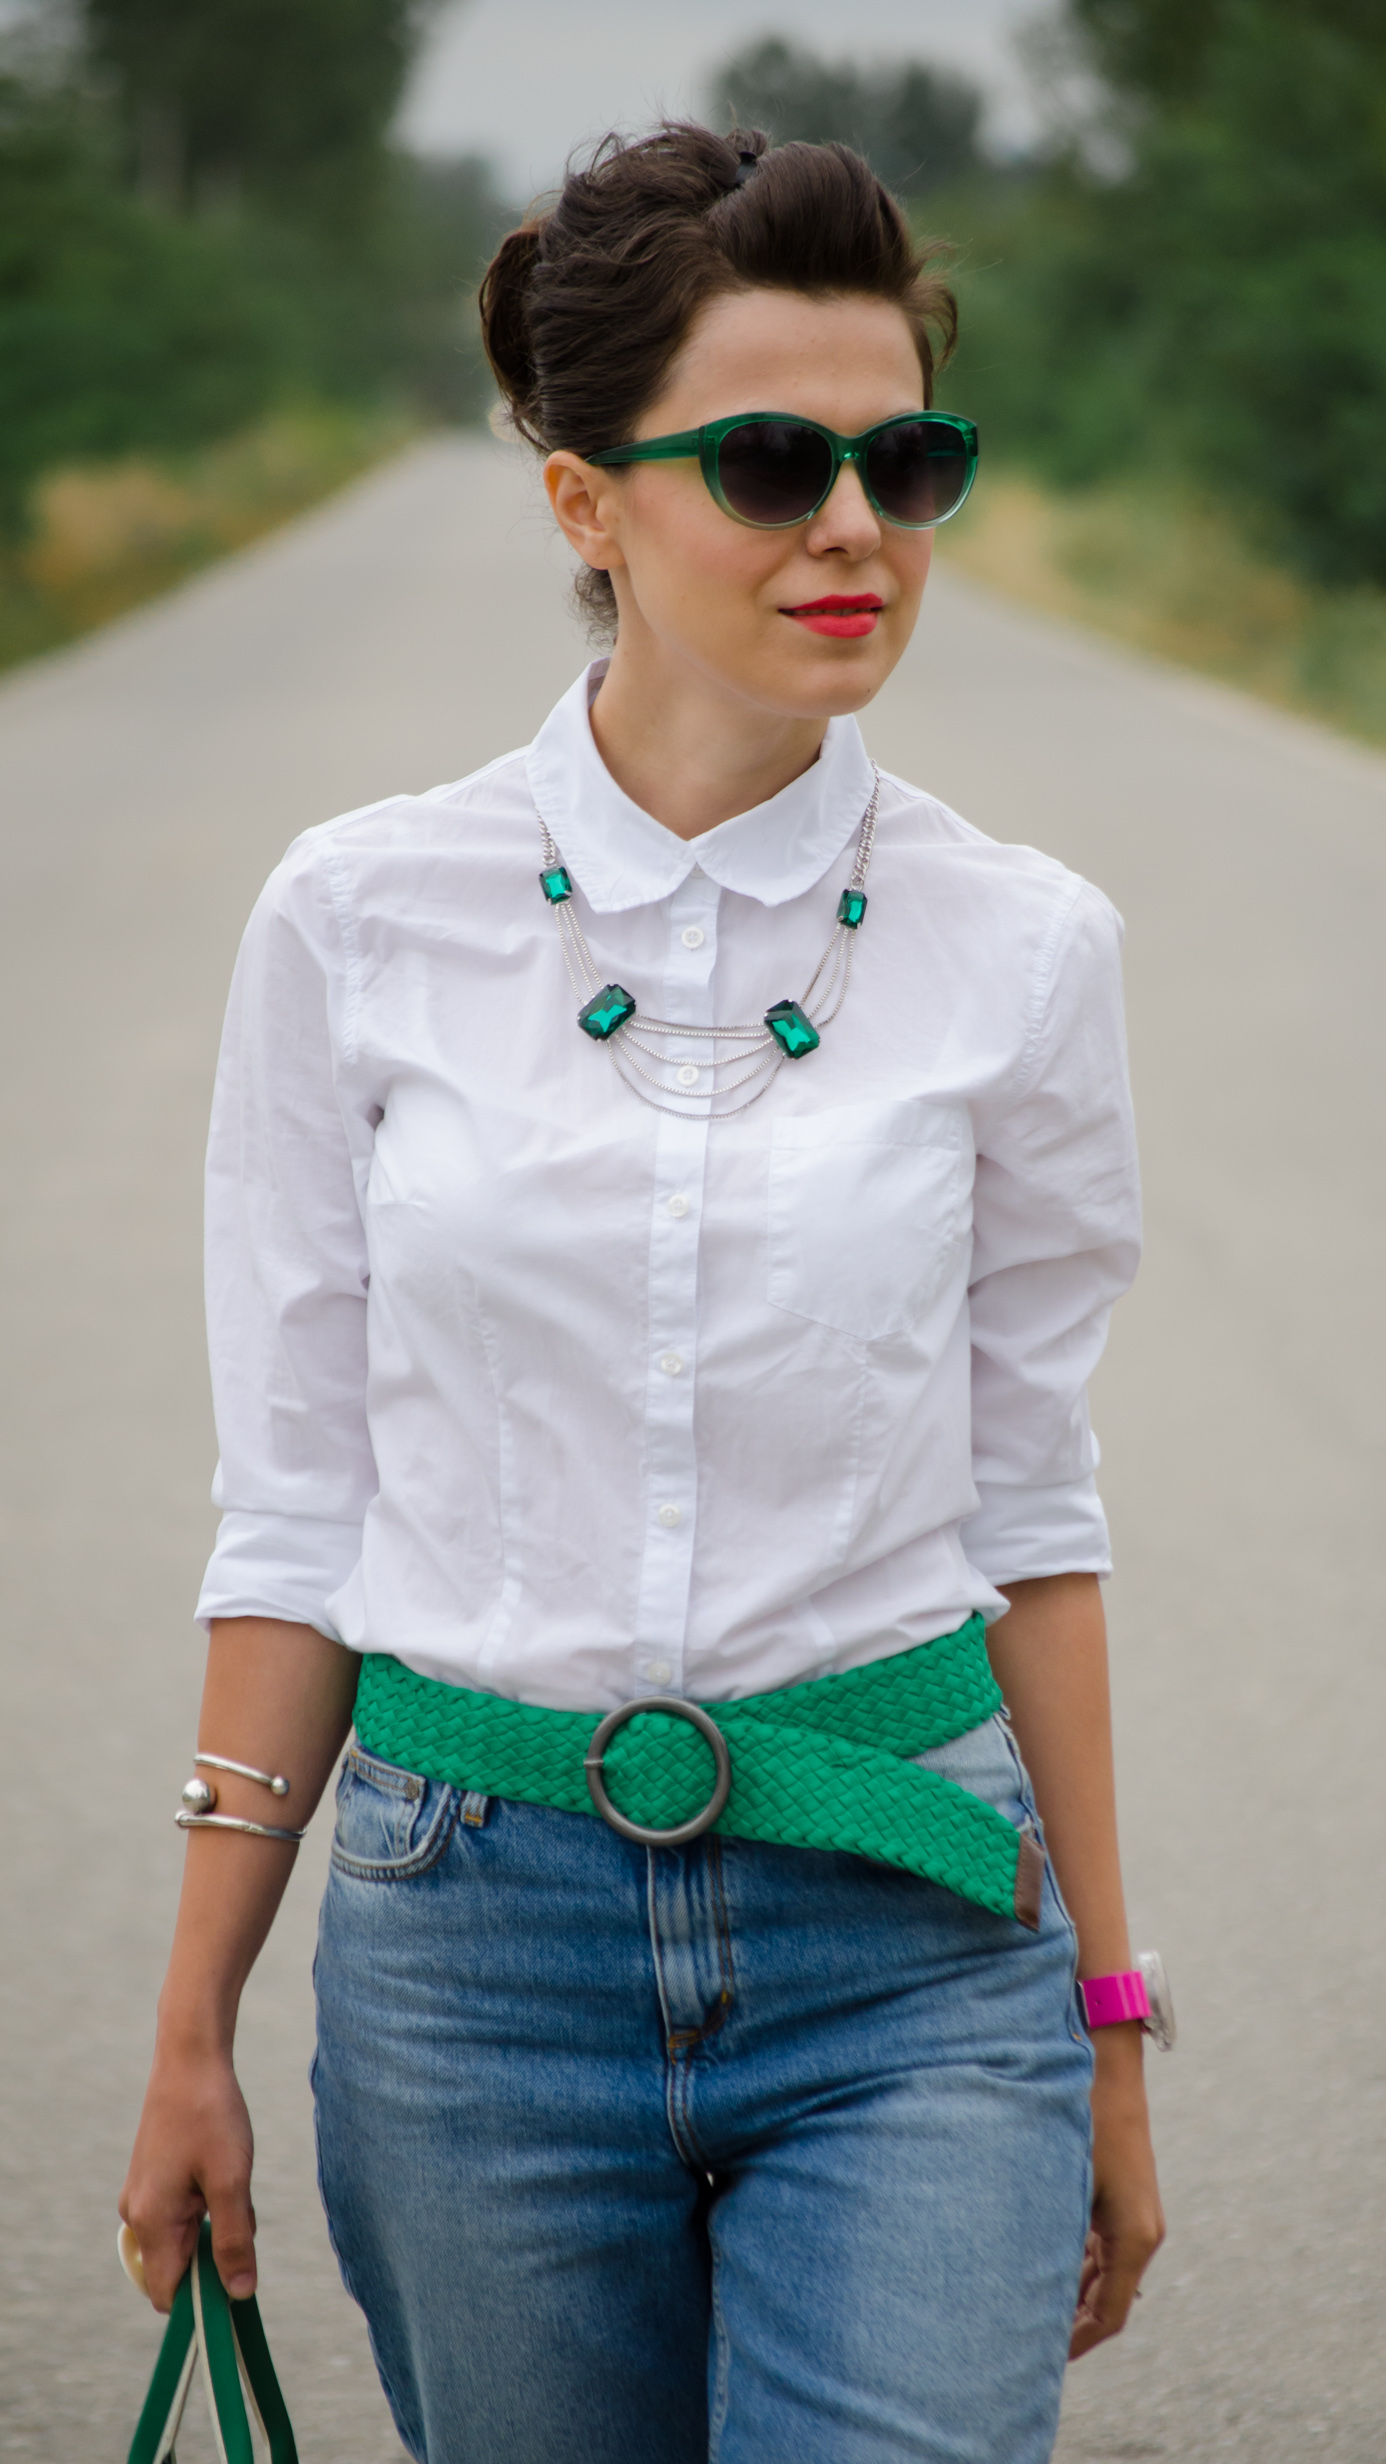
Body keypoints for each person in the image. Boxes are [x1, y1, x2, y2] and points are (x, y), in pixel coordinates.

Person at [121, 122, 1164, 2464]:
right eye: (775, 460)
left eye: (909, 457)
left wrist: (1106, 2009)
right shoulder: (359, 919)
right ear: (586, 501)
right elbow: (294, 1502)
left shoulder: (1026, 946)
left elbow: (1035, 1503)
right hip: (469, 1954)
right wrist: (194, 2020)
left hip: (909, 1928)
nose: (857, 526)